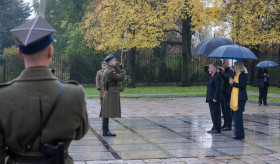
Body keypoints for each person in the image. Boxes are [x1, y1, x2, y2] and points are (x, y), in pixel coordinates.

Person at [0, 16, 88, 163]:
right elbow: (80, 133)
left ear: (20, 53)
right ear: (50, 51)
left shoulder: (3, 96)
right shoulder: (74, 93)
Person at [100, 54, 126, 136]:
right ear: (110, 62)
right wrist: (122, 69)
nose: (115, 62)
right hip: (111, 92)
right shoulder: (111, 71)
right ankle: (105, 131)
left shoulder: (107, 70)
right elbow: (121, 78)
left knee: (105, 111)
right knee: (107, 112)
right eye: (114, 60)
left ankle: (105, 130)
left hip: (108, 92)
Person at [229, 61, 248, 140]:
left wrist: (233, 83)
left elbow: (243, 86)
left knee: (238, 117)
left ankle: (239, 135)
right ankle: (239, 134)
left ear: (238, 67)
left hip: (240, 99)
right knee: (236, 117)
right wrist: (232, 83)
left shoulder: (242, 75)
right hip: (237, 98)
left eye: (235, 66)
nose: (234, 68)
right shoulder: (236, 75)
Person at [217, 59, 234, 131]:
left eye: (224, 63)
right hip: (223, 93)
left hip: (227, 93)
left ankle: (229, 125)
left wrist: (220, 73)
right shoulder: (225, 71)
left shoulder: (230, 71)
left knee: (227, 110)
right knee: (223, 110)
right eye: (222, 63)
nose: (222, 64)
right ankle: (225, 123)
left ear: (228, 64)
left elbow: (227, 79)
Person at [206, 64, 222, 134]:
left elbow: (218, 88)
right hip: (210, 98)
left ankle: (217, 128)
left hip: (214, 98)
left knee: (216, 113)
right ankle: (214, 126)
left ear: (214, 69)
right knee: (213, 113)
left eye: (210, 68)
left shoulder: (217, 76)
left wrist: (215, 97)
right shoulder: (213, 76)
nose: (208, 69)